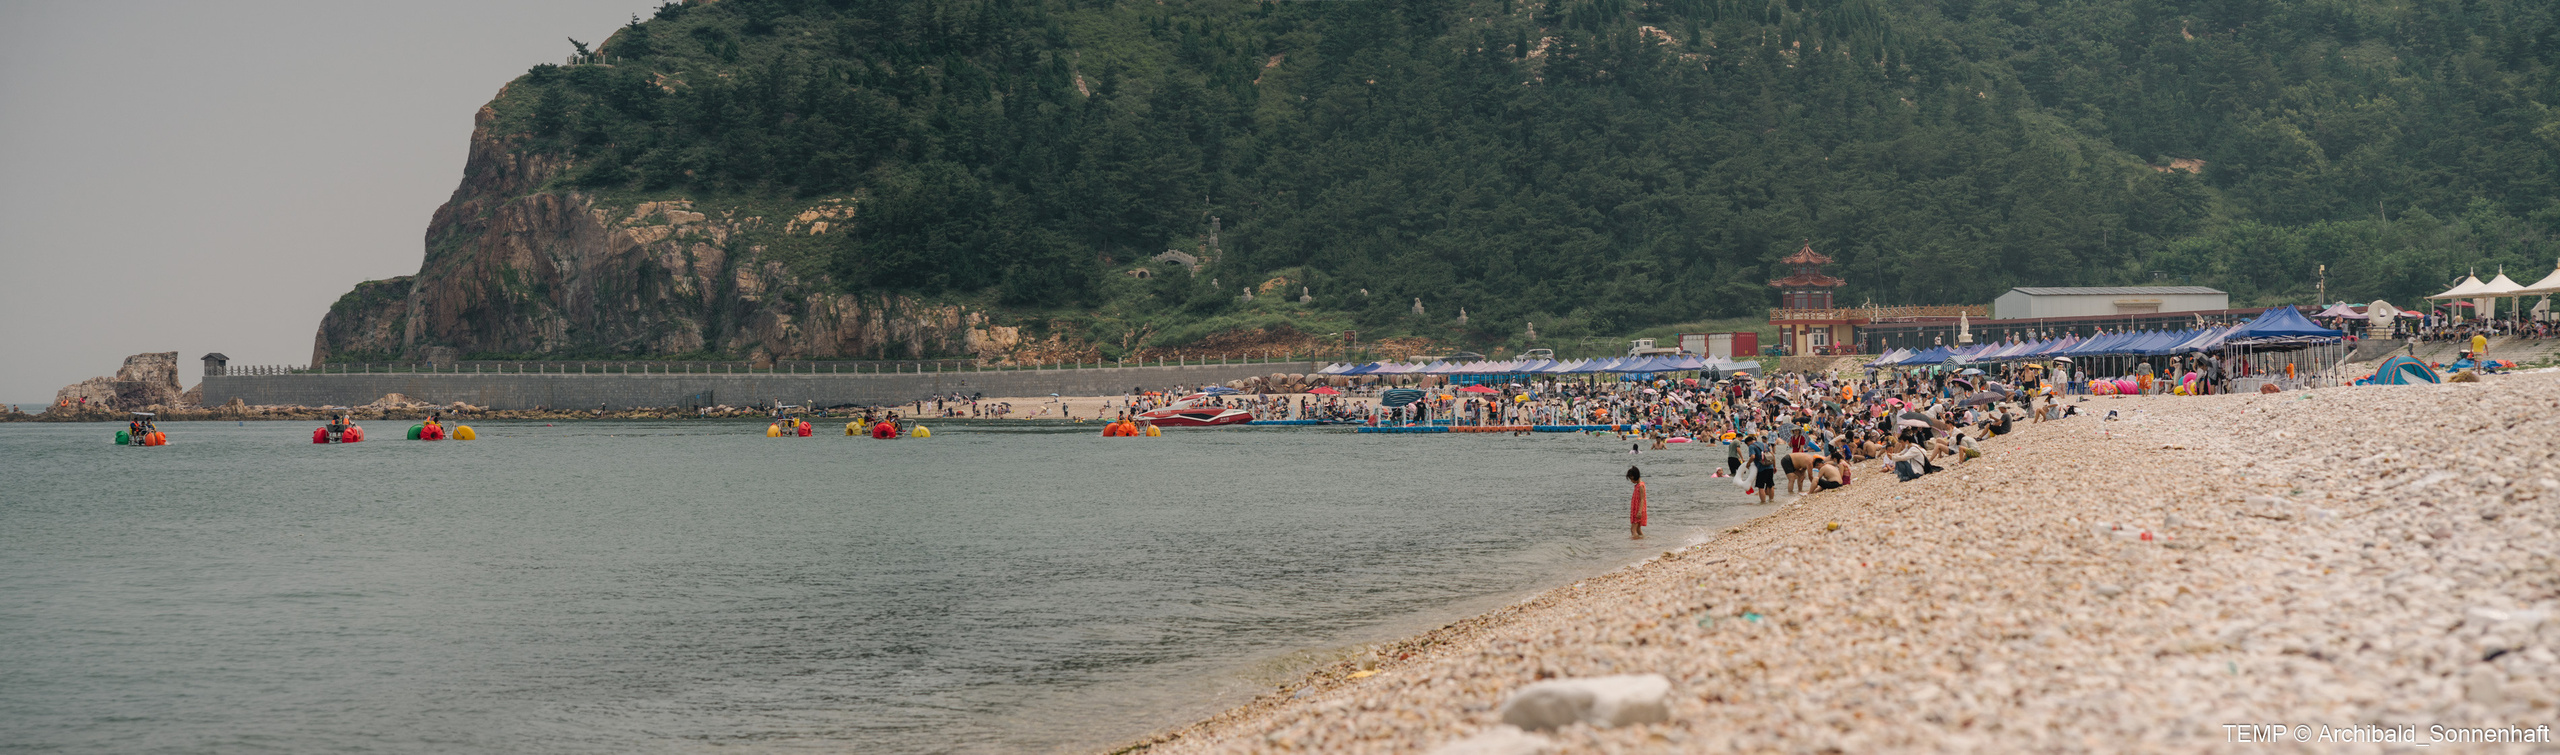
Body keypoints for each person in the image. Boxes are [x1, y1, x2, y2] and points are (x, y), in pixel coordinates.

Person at [1626, 466, 1647, 540]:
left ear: (1635, 476)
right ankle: (1643, 541)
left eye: (1631, 479)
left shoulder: (1641, 486)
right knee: (1638, 529)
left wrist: (1640, 512)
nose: (1631, 481)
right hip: (1637, 510)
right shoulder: (1638, 485)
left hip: (1639, 510)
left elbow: (1642, 499)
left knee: (1633, 529)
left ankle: (1636, 544)